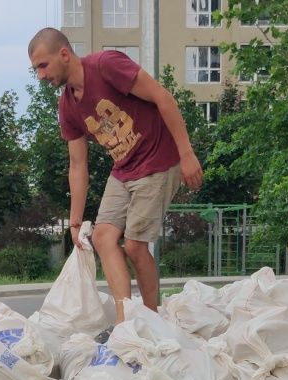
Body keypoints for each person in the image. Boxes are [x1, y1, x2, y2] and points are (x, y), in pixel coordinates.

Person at [27, 28, 202, 325]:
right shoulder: (67, 106)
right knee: (103, 237)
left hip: (159, 157)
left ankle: (150, 320)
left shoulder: (106, 66)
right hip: (125, 167)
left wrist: (187, 154)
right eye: (35, 70)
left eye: (43, 66)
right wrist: (75, 220)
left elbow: (163, 97)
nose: (41, 75)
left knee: (134, 245)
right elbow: (77, 165)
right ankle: (124, 323)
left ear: (64, 55)